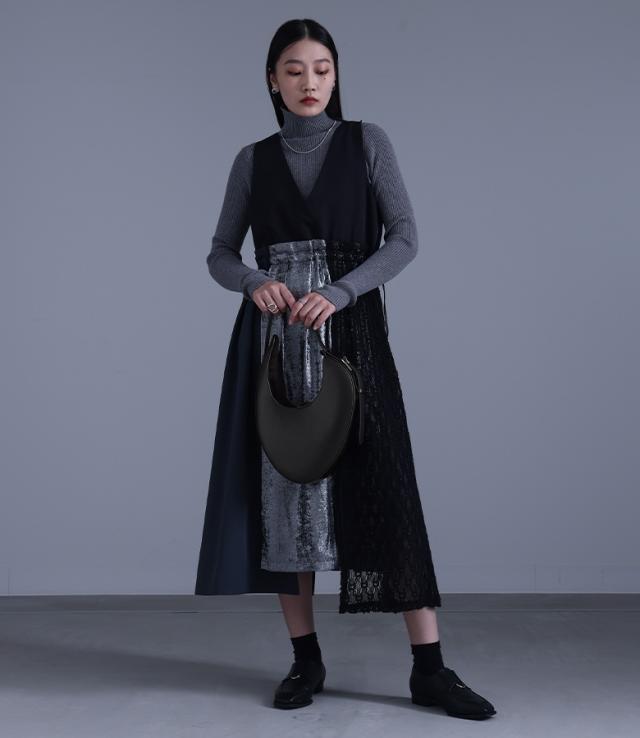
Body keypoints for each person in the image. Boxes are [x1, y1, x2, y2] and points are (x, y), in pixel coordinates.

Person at [195, 18, 496, 720]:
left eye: (322, 69)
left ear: (336, 76)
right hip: (274, 341)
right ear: (272, 80)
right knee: (283, 496)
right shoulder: (252, 160)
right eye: (294, 69)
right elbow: (219, 252)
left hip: (352, 332)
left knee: (386, 486)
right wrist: (252, 281)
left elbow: (405, 238)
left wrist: (341, 291)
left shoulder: (367, 142)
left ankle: (430, 669)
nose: (310, 82)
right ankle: (306, 660)